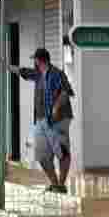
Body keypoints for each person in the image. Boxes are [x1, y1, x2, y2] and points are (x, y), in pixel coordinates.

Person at [17, 47, 75, 193]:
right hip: (41, 120)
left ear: (38, 60)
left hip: (59, 119)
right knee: (42, 155)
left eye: (35, 60)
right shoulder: (38, 74)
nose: (34, 63)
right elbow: (24, 72)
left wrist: (56, 107)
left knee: (62, 151)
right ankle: (55, 183)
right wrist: (8, 67)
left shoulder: (57, 74)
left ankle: (61, 184)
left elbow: (67, 91)